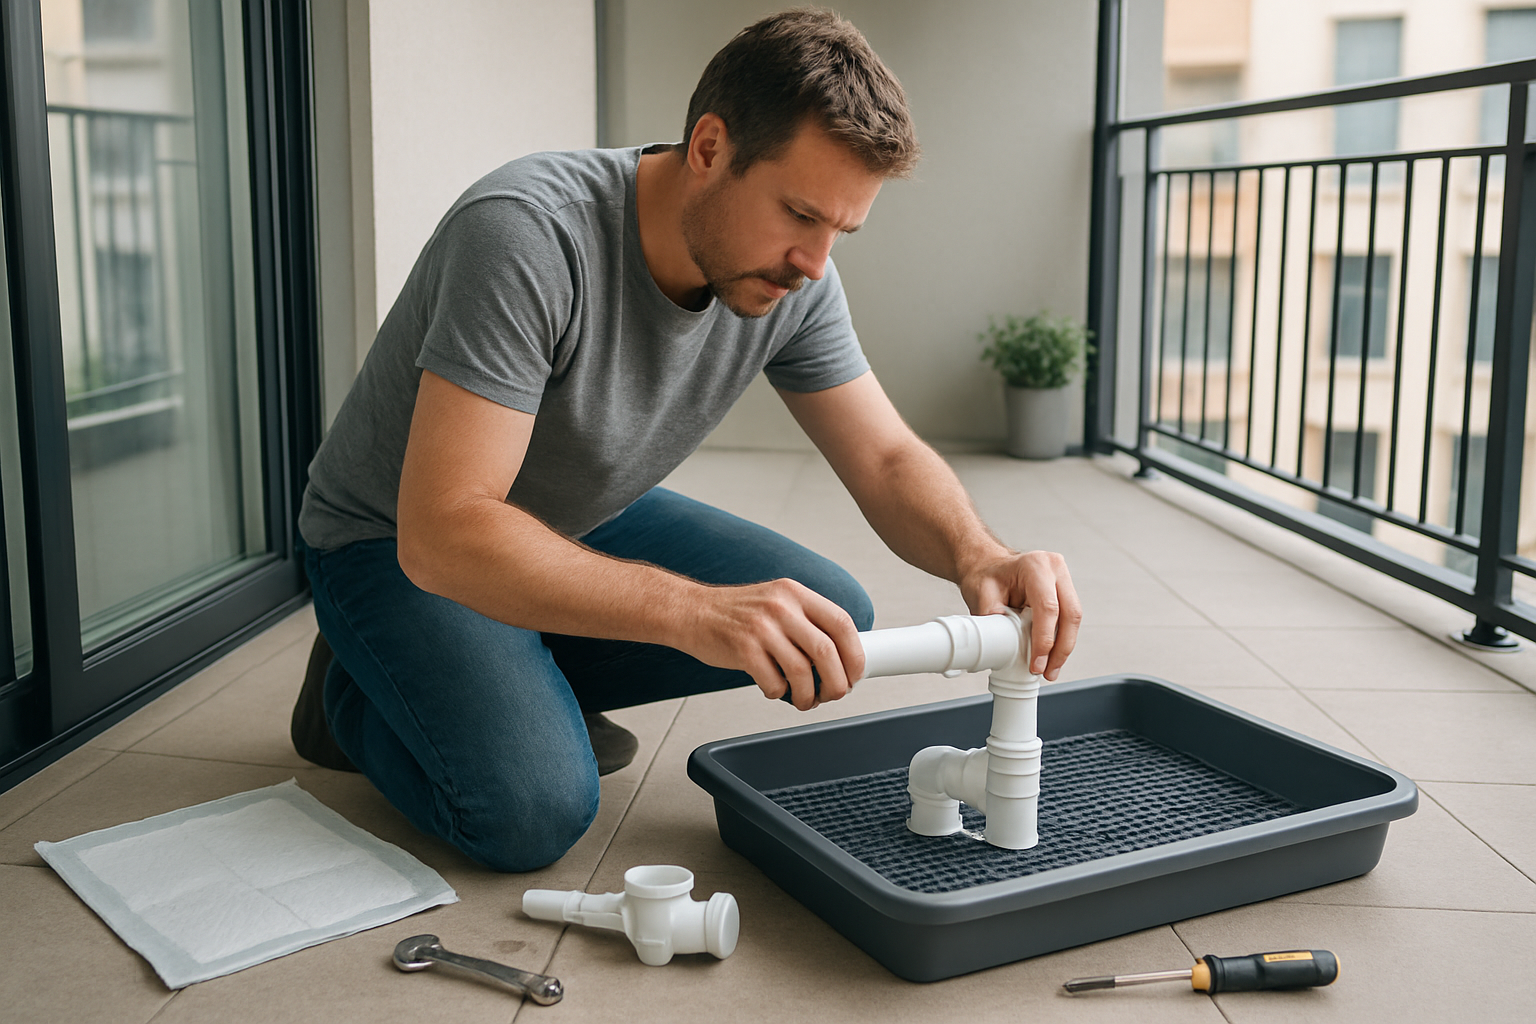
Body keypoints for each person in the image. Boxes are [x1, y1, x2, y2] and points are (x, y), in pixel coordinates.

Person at [292, 9, 1081, 872]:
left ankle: (494, 674)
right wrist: (692, 610)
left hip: (569, 517)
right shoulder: (527, 233)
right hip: (398, 539)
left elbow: (886, 457)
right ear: (709, 146)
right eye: (799, 214)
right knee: (531, 810)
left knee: (828, 617)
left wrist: (978, 553)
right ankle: (352, 694)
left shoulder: (795, 279)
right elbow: (445, 528)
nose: (814, 262)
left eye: (839, 232)